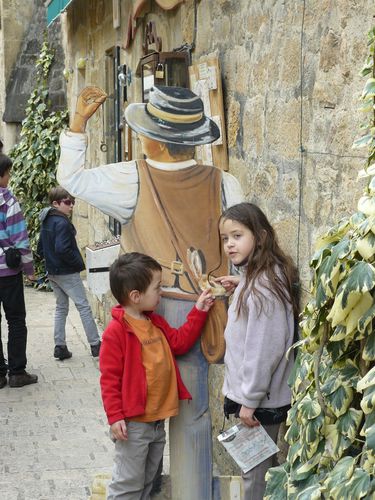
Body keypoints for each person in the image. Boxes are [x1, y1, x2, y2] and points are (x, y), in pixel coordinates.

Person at [57, 85, 244, 499]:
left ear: (157, 139)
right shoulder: (224, 183)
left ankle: (136, 487)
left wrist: (78, 123)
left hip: (149, 313)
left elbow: (69, 179)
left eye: (144, 131)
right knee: (192, 416)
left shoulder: (130, 178)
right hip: (203, 310)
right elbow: (239, 253)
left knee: (142, 410)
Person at [99, 252, 214, 499]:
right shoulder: (116, 332)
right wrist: (115, 416)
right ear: (135, 296)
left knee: (148, 483)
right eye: (157, 287)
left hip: (157, 422)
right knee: (128, 484)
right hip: (134, 425)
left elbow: (180, 343)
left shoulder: (155, 322)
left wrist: (199, 310)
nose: (161, 292)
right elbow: (109, 379)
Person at [217, 202, 299, 500]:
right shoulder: (259, 277)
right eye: (225, 238)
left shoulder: (263, 286)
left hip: (259, 403)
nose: (229, 244)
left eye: (237, 236)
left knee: (255, 478)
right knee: (261, 472)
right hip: (257, 399)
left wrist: (249, 401)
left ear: (260, 237)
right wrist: (242, 284)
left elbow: (264, 349)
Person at [37, 186, 101, 360]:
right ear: (56, 203)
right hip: (66, 272)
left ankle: (60, 347)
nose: (71, 205)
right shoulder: (62, 222)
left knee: (61, 307)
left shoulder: (46, 219)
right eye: (67, 202)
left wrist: (50, 261)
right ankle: (96, 345)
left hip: (52, 271)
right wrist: (78, 263)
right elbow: (62, 248)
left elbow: (40, 247)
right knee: (84, 307)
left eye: (72, 202)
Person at [0, 152, 38, 388]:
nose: (9, 177)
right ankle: (17, 372)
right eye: (8, 173)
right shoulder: (8, 201)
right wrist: (29, 269)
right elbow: (20, 239)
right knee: (15, 320)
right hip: (7, 273)